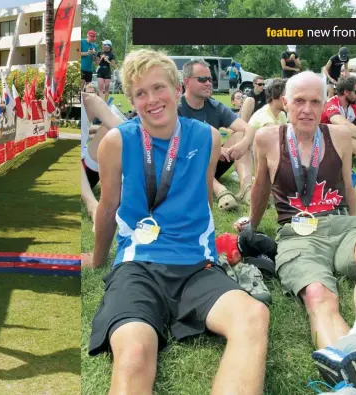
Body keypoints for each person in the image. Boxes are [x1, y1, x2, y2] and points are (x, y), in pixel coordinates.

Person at [88, 48, 269, 395]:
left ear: (176, 88)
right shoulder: (116, 142)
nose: (152, 100)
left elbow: (200, 199)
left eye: (158, 88)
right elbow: (108, 206)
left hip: (196, 266)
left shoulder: (206, 137)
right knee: (134, 352)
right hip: (138, 266)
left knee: (253, 317)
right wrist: (98, 260)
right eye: (140, 93)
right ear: (131, 99)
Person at [246, 70, 356, 395]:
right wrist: (250, 226)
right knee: (318, 296)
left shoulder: (339, 136)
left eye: (314, 102)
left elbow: (348, 185)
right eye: (299, 101)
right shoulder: (267, 137)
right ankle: (349, 383)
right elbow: (261, 187)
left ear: (324, 105)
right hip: (297, 233)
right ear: (285, 103)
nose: (306, 109)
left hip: (340, 224)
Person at [178, 59, 255, 210]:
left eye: (210, 79)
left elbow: (249, 129)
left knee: (240, 135)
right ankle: (220, 190)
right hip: (188, 165)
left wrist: (243, 144)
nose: (208, 83)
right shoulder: (177, 108)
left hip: (215, 162)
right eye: (202, 79)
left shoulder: (214, 106)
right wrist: (214, 149)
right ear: (187, 82)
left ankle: (246, 188)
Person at [81, 89, 124, 226]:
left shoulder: (91, 100)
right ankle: (93, 205)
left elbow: (124, 128)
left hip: (87, 165)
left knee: (113, 131)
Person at [320, 75, 356, 172]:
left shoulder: (352, 106)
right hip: (323, 148)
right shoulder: (331, 104)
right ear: (346, 92)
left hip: (340, 146)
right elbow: (344, 125)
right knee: (344, 132)